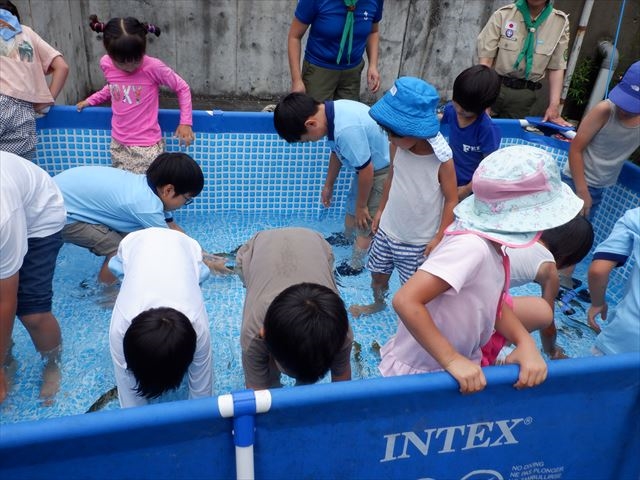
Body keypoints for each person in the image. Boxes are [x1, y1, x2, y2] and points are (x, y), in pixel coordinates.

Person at [380, 145, 584, 394]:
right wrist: (452, 360)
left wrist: (524, 341)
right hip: (421, 370)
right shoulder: (471, 247)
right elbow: (405, 300)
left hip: (455, 361)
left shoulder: (494, 247)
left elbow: (494, 305)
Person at [349, 77, 457, 318]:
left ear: (415, 130)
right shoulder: (398, 145)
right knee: (377, 275)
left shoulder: (441, 160)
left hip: (418, 241)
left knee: (413, 293)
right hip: (388, 230)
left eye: (393, 133)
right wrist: (380, 211)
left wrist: (439, 237)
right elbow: (392, 178)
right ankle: (378, 303)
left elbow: (451, 200)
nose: (389, 138)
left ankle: (411, 325)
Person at [273, 92, 390, 275]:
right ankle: (346, 237)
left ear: (311, 124)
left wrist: (362, 207)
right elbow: (336, 153)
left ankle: (356, 263)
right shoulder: (330, 115)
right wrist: (329, 185)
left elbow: (367, 170)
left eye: (307, 139)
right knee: (352, 207)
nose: (311, 141)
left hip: (380, 172)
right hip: (365, 170)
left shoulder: (345, 130)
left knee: (364, 220)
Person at [53, 152, 205, 284]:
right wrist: (204, 266)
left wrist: (205, 256)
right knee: (120, 251)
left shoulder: (148, 188)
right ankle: (105, 294)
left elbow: (173, 230)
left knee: (132, 238)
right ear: (168, 190)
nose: (185, 203)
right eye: (187, 199)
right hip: (59, 214)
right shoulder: (146, 207)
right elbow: (170, 245)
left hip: (61, 199)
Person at [107, 227, 213, 408]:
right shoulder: (119, 330)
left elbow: (202, 394)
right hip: (132, 246)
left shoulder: (198, 327)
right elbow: (129, 397)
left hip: (186, 247)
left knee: (197, 278)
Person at [236, 227, 352, 389]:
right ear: (264, 334)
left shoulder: (341, 332)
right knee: (269, 374)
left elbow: (342, 385)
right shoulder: (253, 332)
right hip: (260, 247)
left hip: (315, 243)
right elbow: (257, 393)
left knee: (298, 366)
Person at [76, 15, 194, 173]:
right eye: (122, 61)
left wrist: (185, 122)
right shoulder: (106, 63)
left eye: (135, 59)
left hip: (147, 144)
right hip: (118, 142)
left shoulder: (153, 67)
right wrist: (91, 100)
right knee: (125, 189)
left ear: (143, 49)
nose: (130, 66)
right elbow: (113, 87)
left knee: (147, 188)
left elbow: (182, 87)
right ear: (110, 54)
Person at [0, 151, 67, 404]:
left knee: (32, 311)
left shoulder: (2, 216)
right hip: (16, 196)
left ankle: (52, 364)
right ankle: (7, 359)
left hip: (40, 216)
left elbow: (6, 301)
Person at [483, 215, 594, 364]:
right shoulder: (549, 268)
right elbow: (547, 327)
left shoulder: (519, 235)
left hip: (464, 292)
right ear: (571, 256)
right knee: (542, 312)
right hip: (475, 307)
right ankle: (495, 352)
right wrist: (552, 351)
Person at [563, 60, 640, 219]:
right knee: (564, 234)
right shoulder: (604, 110)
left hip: (600, 184)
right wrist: (582, 190)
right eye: (623, 102)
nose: (624, 111)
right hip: (576, 180)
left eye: (632, 107)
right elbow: (576, 149)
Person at [477, 0, 571, 125]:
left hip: (524, 95)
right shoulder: (503, 14)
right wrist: (483, 99)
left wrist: (554, 106)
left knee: (510, 137)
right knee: (479, 132)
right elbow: (486, 61)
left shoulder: (559, 22)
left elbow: (557, 67)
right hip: (494, 88)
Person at [0, 0, 69, 161]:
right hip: (25, 111)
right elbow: (62, 67)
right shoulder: (26, 32)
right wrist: (47, 99)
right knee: (18, 166)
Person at [287, 0, 383, 102]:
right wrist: (296, 80)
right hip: (319, 71)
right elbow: (294, 37)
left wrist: (373, 65)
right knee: (315, 115)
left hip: (352, 74)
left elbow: (373, 31)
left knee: (346, 116)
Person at [440, 65, 502, 200]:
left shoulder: (486, 129)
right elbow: (438, 120)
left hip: (472, 185)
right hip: (450, 174)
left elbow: (490, 166)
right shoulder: (451, 110)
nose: (460, 110)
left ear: (483, 107)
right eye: (457, 102)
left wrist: (468, 189)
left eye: (466, 109)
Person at [587, 207, 639, 356]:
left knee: (597, 376)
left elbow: (598, 270)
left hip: (626, 332)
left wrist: (597, 303)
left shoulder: (635, 217)